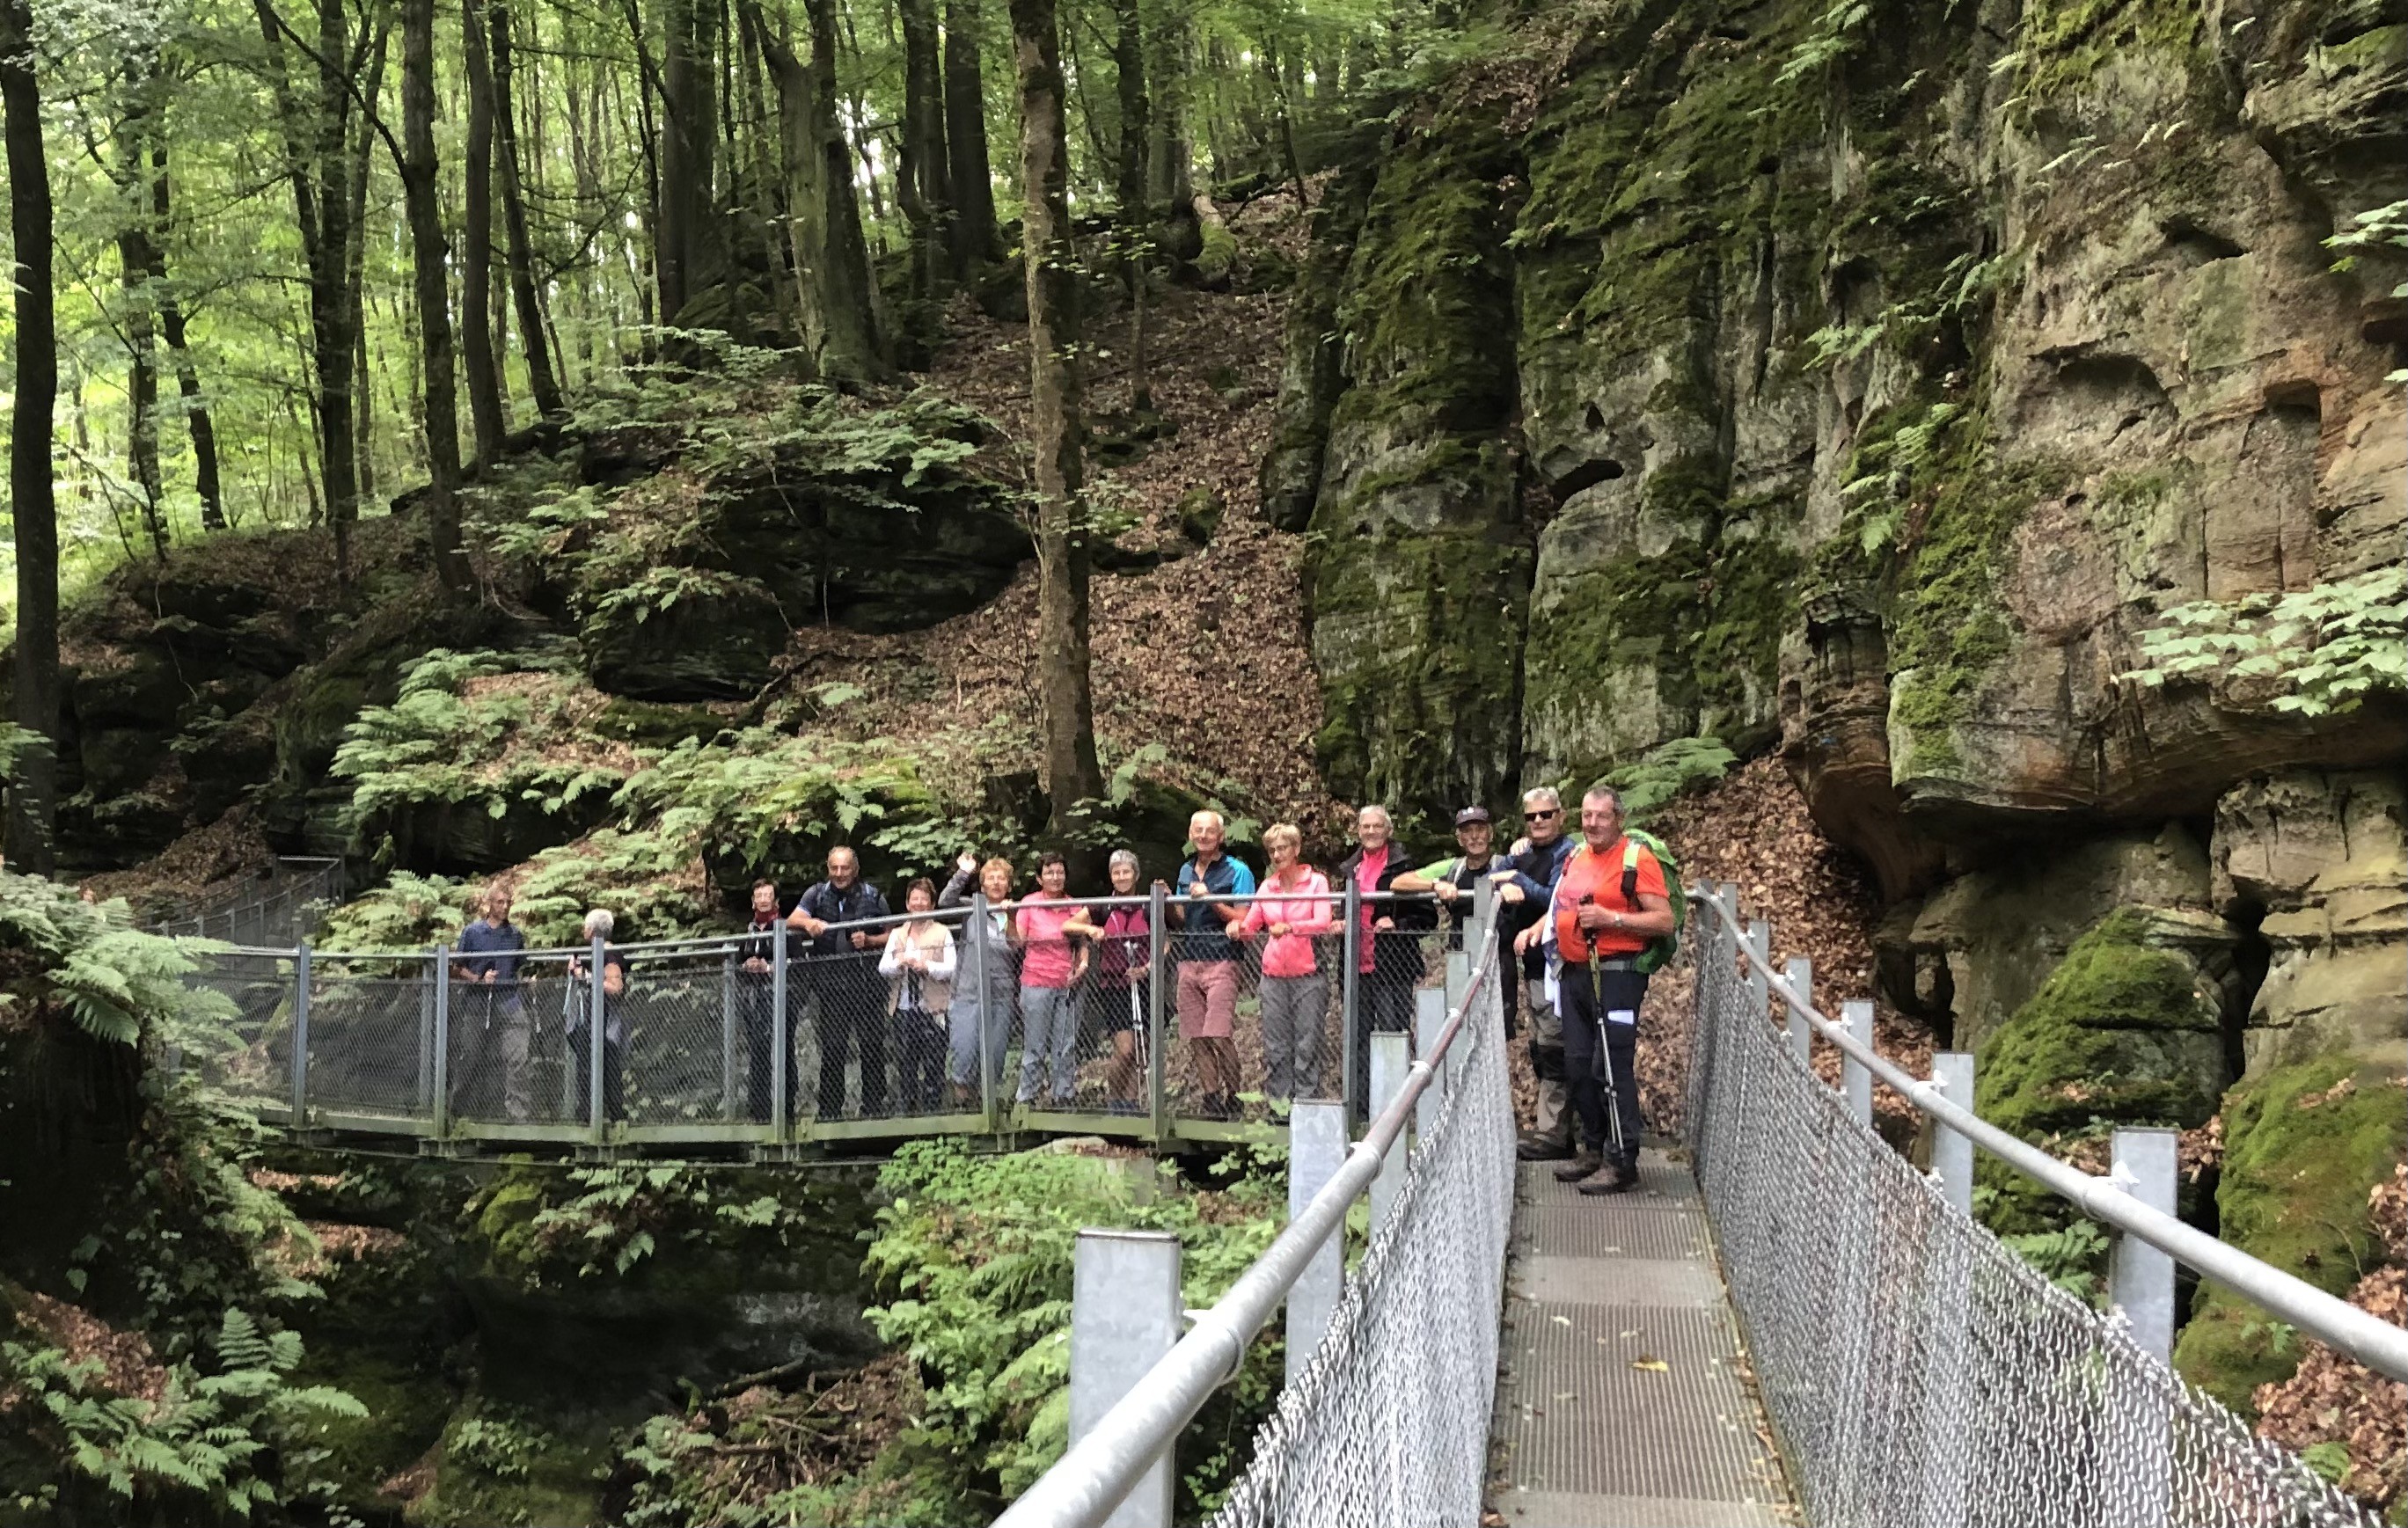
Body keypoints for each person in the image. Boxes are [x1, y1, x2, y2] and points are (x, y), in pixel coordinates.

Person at [1542, 786, 1675, 1196]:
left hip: (1617, 974)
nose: (1592, 823)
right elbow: (1559, 907)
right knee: (1578, 1064)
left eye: (1601, 816)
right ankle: (1593, 1148)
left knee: (1611, 1065)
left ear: (1619, 819)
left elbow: (1663, 921)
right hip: (1576, 972)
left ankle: (1622, 1160)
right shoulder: (1576, 856)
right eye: (1586, 815)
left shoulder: (1637, 860)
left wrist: (1611, 918)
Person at [1497, 786, 1579, 1161]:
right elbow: (1497, 875)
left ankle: (1556, 1134)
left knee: (1555, 1046)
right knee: (1542, 1044)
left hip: (1561, 965)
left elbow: (1560, 898)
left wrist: (1519, 882)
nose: (1539, 822)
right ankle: (1554, 1129)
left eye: (1546, 815)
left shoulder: (1571, 853)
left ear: (1561, 815)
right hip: (1532, 965)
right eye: (1531, 817)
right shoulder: (1525, 853)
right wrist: (1511, 871)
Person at [1337, 804, 1435, 1111]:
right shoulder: (1350, 868)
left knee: (1393, 1032)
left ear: (1388, 830)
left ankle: (1395, 1104)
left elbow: (1427, 917)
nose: (1370, 832)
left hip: (1392, 966)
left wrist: (1397, 924)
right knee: (1360, 1037)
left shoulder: (1402, 866)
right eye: (1365, 826)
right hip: (1357, 964)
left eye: (1377, 826)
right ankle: (1364, 1107)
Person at [1232, 823, 1336, 1100]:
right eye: (1272, 850)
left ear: (1296, 849)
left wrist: (1289, 927)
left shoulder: (1316, 882)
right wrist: (1237, 927)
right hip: (1273, 977)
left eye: (1282, 848)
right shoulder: (1267, 886)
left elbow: (1323, 921)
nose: (1277, 855)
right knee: (1276, 1047)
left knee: (1307, 1044)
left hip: (1309, 976)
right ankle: (1279, 1110)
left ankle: (1307, 1106)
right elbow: (1252, 924)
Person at [789, 847, 891, 1119]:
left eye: (844, 868)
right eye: (834, 868)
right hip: (831, 986)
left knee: (871, 1045)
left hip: (867, 985)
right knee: (833, 1047)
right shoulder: (817, 894)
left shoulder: (873, 896)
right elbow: (792, 919)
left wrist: (870, 941)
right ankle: (830, 1111)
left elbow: (892, 934)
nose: (839, 874)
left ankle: (873, 1108)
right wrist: (810, 923)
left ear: (855, 869)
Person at [1167, 809, 1255, 1119]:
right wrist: (1167, 902)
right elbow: (1181, 918)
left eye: (1210, 831)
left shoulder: (1238, 871)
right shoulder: (1185, 870)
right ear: (1190, 834)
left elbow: (1246, 918)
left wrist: (1210, 899)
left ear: (1221, 836)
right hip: (1189, 960)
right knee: (1198, 1036)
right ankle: (1211, 1098)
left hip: (1223, 958)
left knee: (1219, 1033)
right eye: (1198, 830)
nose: (1203, 836)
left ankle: (1234, 1095)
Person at [1065, 850, 1150, 1115]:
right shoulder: (1103, 906)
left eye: (1126, 871)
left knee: (1141, 1047)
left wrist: (1147, 968)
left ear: (1136, 874)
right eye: (1116, 872)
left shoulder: (1148, 903)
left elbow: (1166, 943)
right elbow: (1068, 925)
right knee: (1125, 1048)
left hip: (1145, 982)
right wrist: (1091, 929)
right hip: (1114, 984)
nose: (1122, 877)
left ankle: (1132, 1103)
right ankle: (1115, 1100)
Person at [1011, 852, 1090, 1108]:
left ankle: (1062, 1095)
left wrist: (1082, 966)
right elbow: (1018, 942)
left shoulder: (1074, 906)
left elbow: (1081, 942)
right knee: (1034, 1044)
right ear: (1039, 877)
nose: (1055, 877)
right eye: (1049, 872)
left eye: (1059, 872)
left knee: (1065, 1044)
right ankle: (1027, 1098)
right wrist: (1010, 919)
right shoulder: (1029, 904)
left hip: (1068, 984)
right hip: (1036, 982)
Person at [940, 852, 1019, 1105]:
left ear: (1008, 884)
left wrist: (1013, 917)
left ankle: (987, 1109)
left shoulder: (1013, 912)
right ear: (983, 884)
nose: (996, 883)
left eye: (1001, 879)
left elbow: (1017, 946)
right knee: (965, 1052)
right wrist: (963, 872)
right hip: (968, 993)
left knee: (995, 1056)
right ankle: (964, 1106)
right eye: (991, 878)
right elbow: (944, 902)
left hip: (1001, 994)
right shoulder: (971, 907)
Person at [881, 878, 957, 1115]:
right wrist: (900, 963)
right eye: (915, 899)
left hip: (933, 1009)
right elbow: (883, 968)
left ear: (931, 904)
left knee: (934, 1062)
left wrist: (928, 967)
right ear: (908, 903)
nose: (919, 904)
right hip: (904, 1007)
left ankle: (933, 1111)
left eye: (924, 899)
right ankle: (907, 1111)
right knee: (906, 1062)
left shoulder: (942, 933)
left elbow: (952, 968)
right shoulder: (897, 934)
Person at [454, 882, 530, 1121]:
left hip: (509, 1001)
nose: (505, 907)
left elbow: (520, 966)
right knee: (472, 1057)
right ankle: (459, 1113)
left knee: (519, 1055)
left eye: (508, 902)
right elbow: (456, 967)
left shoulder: (515, 935)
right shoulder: (473, 932)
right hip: (478, 1003)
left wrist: (528, 979)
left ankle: (518, 1116)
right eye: (500, 902)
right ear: (489, 904)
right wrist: (478, 978)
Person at [736, 879, 798, 1123]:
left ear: (775, 901)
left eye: (767, 895)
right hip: (754, 1000)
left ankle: (787, 1108)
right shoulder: (749, 930)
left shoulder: (786, 929)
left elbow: (798, 963)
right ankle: (759, 1110)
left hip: (783, 998)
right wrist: (747, 966)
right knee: (758, 1052)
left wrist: (769, 968)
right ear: (753, 901)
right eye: (759, 895)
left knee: (785, 1050)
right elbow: (740, 958)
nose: (763, 900)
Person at [1394, 806, 1499, 947]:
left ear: (1490, 834)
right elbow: (1398, 882)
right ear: (1460, 839)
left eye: (1480, 829)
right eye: (1467, 831)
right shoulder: (1453, 869)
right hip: (1461, 953)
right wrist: (1436, 885)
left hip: (1499, 952)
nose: (1474, 836)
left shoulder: (1505, 864)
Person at [564, 908, 629, 1122]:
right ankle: (592, 1115)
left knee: (606, 1069)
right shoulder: (594, 953)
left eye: (585, 925)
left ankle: (609, 1117)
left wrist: (586, 976)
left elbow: (614, 987)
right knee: (588, 1069)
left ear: (592, 930)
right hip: (591, 1022)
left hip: (605, 1023)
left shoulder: (609, 954)